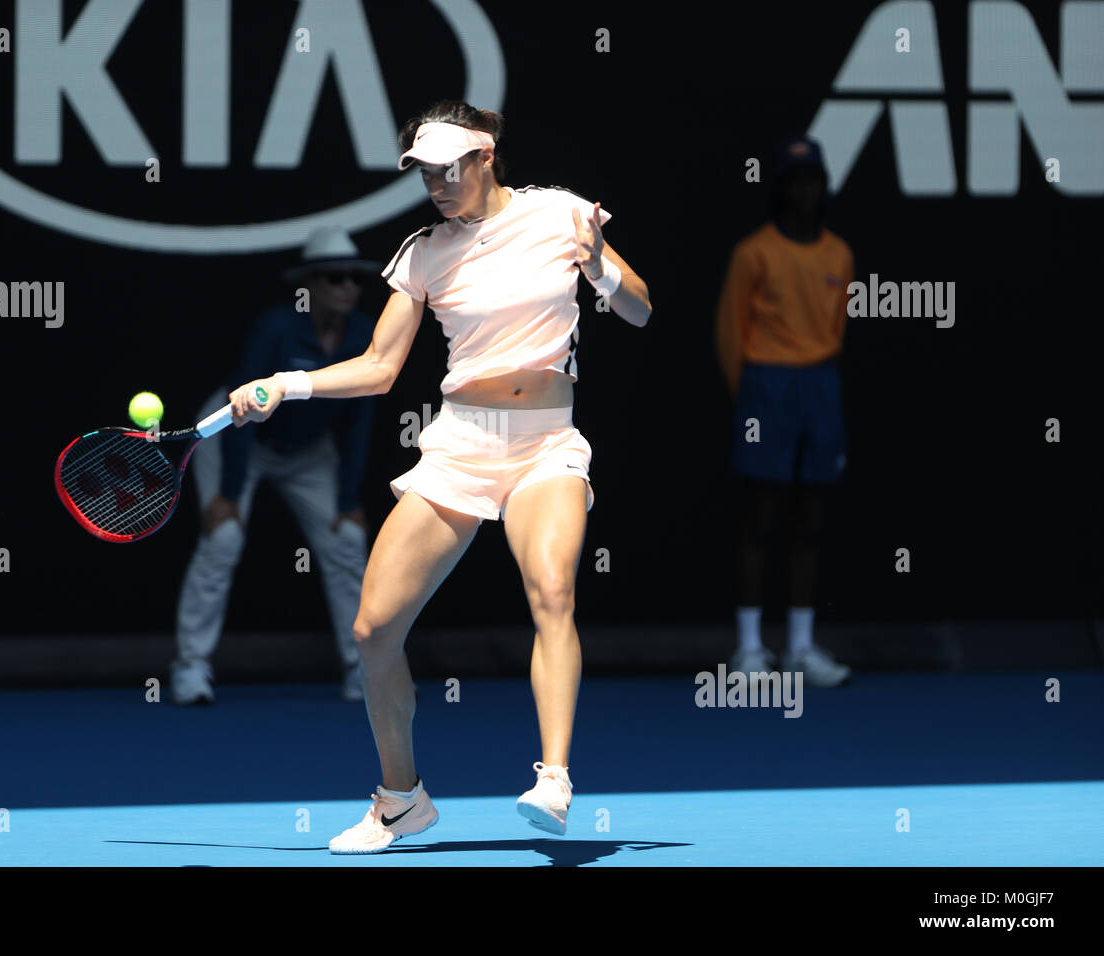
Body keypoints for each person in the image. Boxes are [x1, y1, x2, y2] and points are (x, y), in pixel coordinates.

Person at [227, 100, 653, 852]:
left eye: (446, 167)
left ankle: (553, 776)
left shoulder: (560, 216)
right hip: (461, 446)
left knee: (552, 590)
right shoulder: (424, 252)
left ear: (486, 155)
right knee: (373, 629)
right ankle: (400, 799)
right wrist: (286, 385)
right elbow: (379, 368)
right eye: (424, 171)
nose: (434, 183)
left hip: (545, 443)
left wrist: (599, 267)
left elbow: (642, 311)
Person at [170, 227, 378, 705]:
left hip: (308, 451)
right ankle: (190, 669)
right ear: (310, 285)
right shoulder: (277, 327)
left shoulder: (365, 334)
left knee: (348, 540)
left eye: (354, 279)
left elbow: (360, 421)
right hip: (237, 440)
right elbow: (242, 415)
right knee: (222, 538)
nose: (347, 287)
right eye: (334, 278)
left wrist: (348, 500)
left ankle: (363, 672)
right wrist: (228, 493)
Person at [715, 134, 854, 687]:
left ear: (822, 187)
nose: (804, 190)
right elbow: (730, 332)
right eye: (794, 181)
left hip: (819, 387)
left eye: (812, 181)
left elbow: (836, 326)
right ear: (780, 188)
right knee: (760, 518)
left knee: (811, 520)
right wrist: (749, 396)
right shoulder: (754, 252)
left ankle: (800, 647)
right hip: (766, 388)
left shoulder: (839, 254)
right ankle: (749, 649)